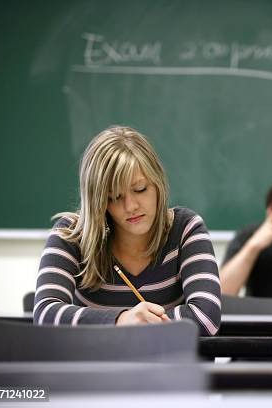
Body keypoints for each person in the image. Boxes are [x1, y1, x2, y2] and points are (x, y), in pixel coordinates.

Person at [33, 126, 221, 335]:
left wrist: (138, 324)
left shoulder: (185, 228)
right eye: (113, 197)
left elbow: (206, 318)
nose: (130, 206)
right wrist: (122, 320)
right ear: (98, 202)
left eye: (140, 189)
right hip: (101, 366)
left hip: (167, 365)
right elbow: (44, 314)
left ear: (158, 183)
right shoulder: (73, 234)